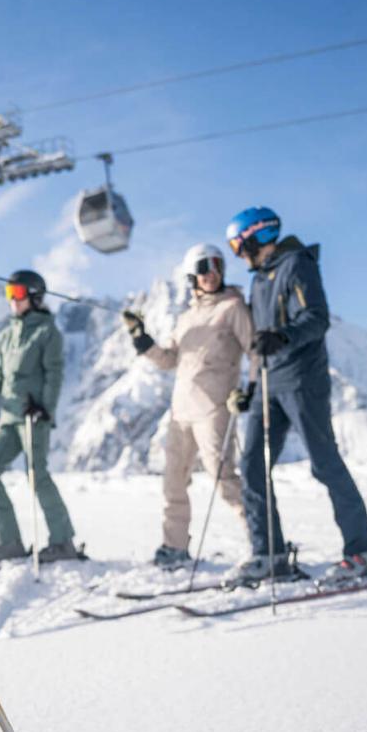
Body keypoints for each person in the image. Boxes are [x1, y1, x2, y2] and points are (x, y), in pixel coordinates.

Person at [222, 205, 367, 587]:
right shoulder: (259, 281)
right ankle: (270, 555)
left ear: (256, 234)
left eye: (236, 244)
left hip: (300, 379)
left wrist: (283, 336)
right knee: (251, 468)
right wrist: (249, 389)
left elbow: (316, 317)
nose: (237, 253)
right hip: (267, 384)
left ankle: (362, 554)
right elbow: (258, 344)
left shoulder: (297, 264)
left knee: (324, 462)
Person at [121, 244, 257, 570]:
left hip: (214, 407)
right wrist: (142, 340)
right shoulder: (187, 318)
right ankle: (174, 546)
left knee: (224, 477)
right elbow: (169, 359)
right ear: (191, 275)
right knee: (173, 482)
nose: (210, 273)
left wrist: (249, 389)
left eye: (216, 266)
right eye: (203, 267)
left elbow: (256, 350)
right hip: (181, 410)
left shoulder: (233, 307)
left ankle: (263, 542)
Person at [0, 269, 81, 568]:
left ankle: (63, 541)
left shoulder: (47, 332)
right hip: (9, 417)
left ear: (34, 296)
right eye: (8, 294)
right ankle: (9, 541)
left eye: (17, 293)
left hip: (33, 417)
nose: (12, 300)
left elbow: (55, 375)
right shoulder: (7, 335)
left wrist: (45, 408)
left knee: (37, 474)